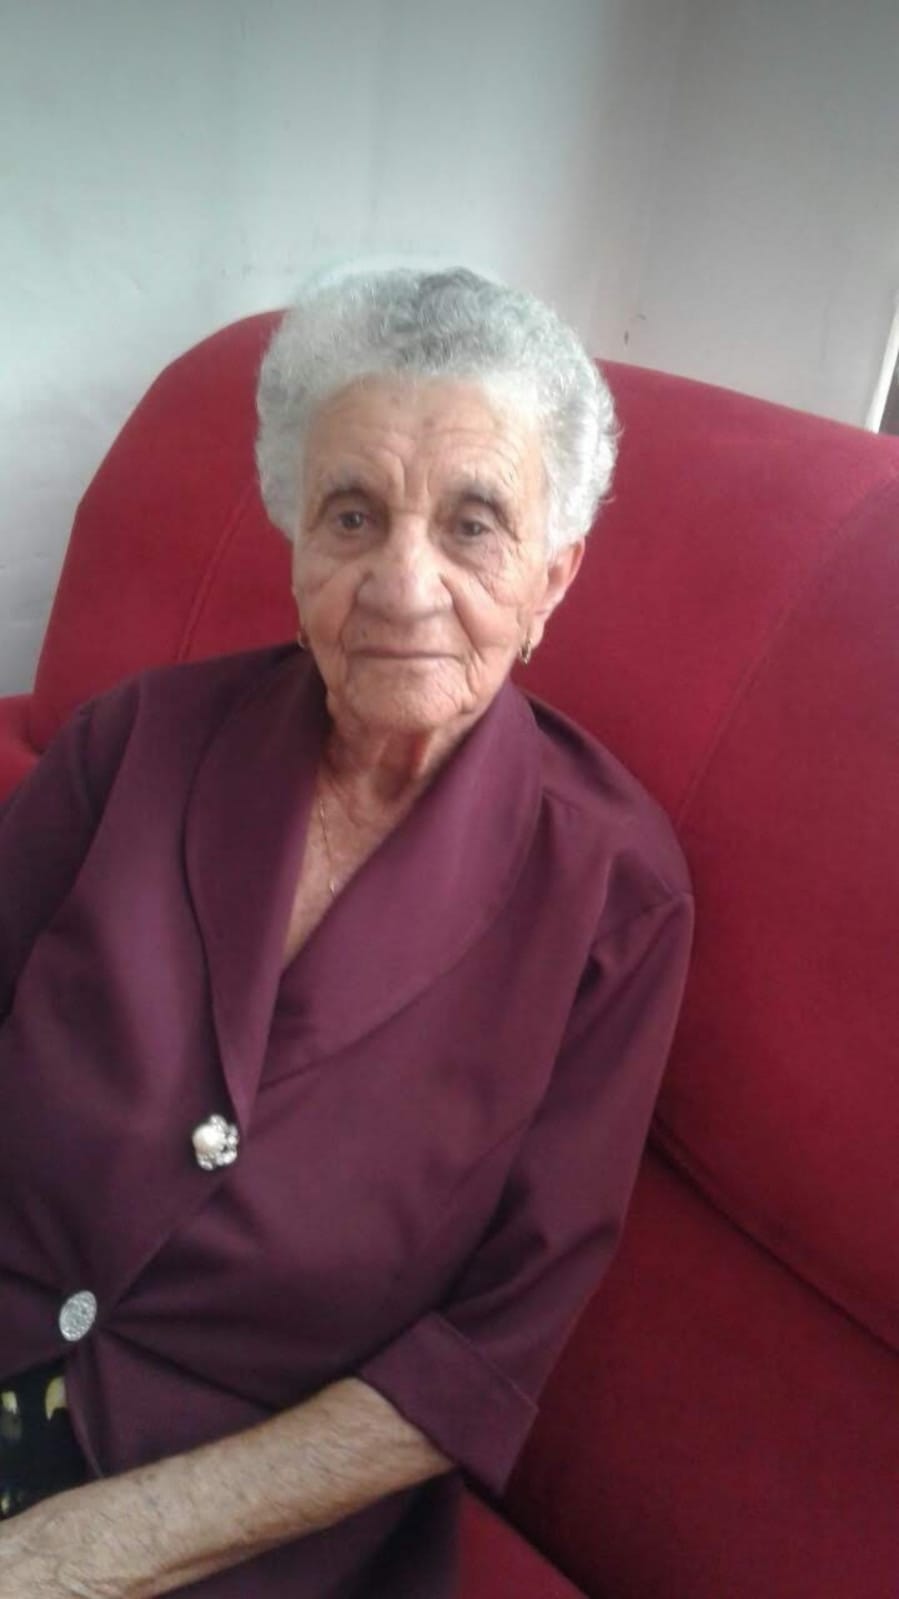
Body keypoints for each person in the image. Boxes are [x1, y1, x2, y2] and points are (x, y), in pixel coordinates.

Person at [0, 267, 694, 1596]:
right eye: (354, 513)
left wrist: (82, 1550)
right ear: (294, 538)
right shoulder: (136, 740)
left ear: (553, 578)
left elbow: (485, 1353)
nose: (402, 585)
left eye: (474, 524)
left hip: (226, 1525)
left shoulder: (614, 899)